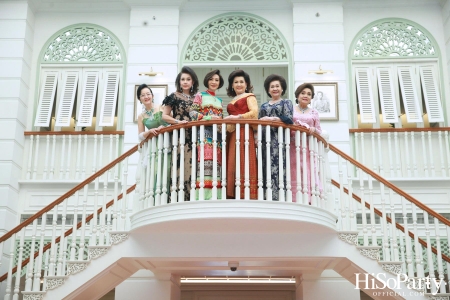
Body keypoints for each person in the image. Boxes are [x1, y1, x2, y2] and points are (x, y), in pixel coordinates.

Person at [162, 66, 199, 202]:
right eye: (183, 79)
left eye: (188, 79)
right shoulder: (173, 96)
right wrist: (178, 122)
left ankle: (195, 196)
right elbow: (165, 116)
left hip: (196, 135)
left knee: (195, 163)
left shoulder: (198, 97)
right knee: (181, 163)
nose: (185, 82)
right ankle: (180, 196)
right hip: (181, 135)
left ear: (193, 81)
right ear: (179, 81)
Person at [190, 69, 224, 200]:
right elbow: (192, 113)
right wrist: (208, 118)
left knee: (217, 163)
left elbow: (220, 118)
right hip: (205, 134)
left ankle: (217, 195)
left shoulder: (220, 100)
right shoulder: (200, 95)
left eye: (217, 80)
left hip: (218, 136)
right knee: (205, 163)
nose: (214, 82)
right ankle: (204, 196)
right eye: (211, 79)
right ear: (207, 81)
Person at [224, 69, 258, 199]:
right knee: (232, 160)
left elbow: (254, 113)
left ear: (247, 84)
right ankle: (232, 193)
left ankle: (246, 193)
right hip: (232, 134)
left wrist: (237, 117)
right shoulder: (233, 99)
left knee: (244, 159)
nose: (239, 84)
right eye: (235, 82)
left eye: (241, 82)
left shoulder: (249, 97)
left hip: (244, 131)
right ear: (232, 85)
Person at [258, 74, 293, 201]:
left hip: (279, 140)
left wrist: (272, 119)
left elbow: (289, 118)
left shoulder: (286, 102)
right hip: (264, 140)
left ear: (282, 88)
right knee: (264, 165)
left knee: (279, 166)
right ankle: (265, 195)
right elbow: (259, 122)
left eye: (277, 86)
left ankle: (279, 196)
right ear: (268, 90)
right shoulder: (263, 106)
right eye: (272, 87)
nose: (275, 88)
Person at [290, 83, 322, 203]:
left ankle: (308, 198)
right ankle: (294, 197)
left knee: (307, 170)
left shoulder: (314, 112)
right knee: (294, 170)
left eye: (309, 94)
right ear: (298, 95)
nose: (305, 96)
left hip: (307, 147)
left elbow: (319, 130)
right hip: (292, 146)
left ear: (311, 98)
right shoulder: (291, 109)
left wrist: (314, 130)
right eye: (303, 93)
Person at [137, 84, 169, 203]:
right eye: (143, 95)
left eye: (148, 94)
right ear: (140, 99)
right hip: (154, 147)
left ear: (152, 96)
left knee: (167, 168)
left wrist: (164, 127)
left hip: (167, 142)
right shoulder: (141, 116)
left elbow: (171, 121)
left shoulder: (161, 107)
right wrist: (149, 132)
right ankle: (156, 200)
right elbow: (140, 135)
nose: (146, 97)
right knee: (155, 171)